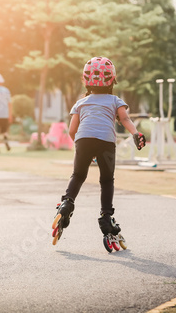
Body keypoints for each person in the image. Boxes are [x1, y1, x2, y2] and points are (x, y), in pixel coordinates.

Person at [54, 57, 146, 242]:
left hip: (83, 140)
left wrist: (80, 146)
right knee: (106, 180)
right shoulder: (115, 100)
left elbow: (72, 130)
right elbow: (126, 119)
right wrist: (136, 134)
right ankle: (106, 218)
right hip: (106, 142)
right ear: (112, 79)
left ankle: (66, 203)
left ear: (85, 80)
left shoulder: (81, 103)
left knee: (78, 175)